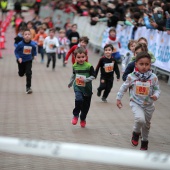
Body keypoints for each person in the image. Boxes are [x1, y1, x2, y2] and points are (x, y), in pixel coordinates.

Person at [116, 51, 160, 150]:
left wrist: (156, 95)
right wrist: (118, 98)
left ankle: (145, 141)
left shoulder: (153, 77)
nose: (144, 66)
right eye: (141, 64)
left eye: (147, 64)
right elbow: (124, 87)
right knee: (140, 119)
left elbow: (157, 89)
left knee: (146, 124)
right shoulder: (131, 76)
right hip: (136, 103)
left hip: (149, 105)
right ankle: (136, 132)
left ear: (150, 64)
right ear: (136, 64)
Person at [68, 47, 95, 128]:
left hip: (87, 89)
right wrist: (71, 82)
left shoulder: (89, 66)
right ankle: (75, 115)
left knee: (85, 108)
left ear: (86, 57)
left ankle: (82, 118)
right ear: (75, 57)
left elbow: (94, 76)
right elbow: (73, 75)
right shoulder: (75, 66)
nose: (81, 59)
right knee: (79, 99)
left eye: (83, 57)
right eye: (78, 57)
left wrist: (86, 80)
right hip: (78, 87)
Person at [14, 28, 37, 94]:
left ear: (31, 36)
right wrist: (18, 58)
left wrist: (35, 55)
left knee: (28, 73)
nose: (27, 35)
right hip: (21, 60)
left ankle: (28, 87)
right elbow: (16, 51)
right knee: (21, 74)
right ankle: (22, 72)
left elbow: (34, 50)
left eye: (28, 34)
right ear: (23, 36)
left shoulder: (32, 44)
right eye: (25, 34)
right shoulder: (20, 44)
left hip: (28, 60)